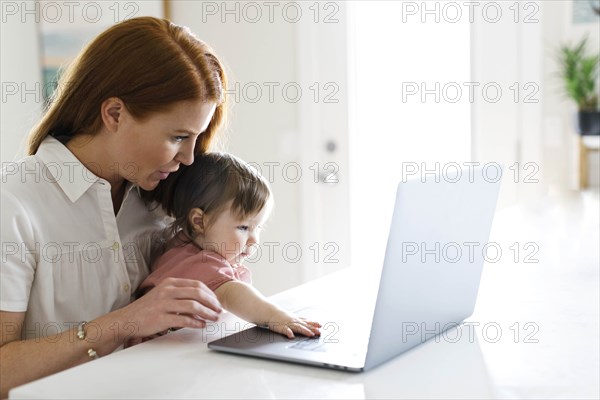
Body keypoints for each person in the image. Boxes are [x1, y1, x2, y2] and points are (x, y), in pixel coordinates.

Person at [0, 17, 227, 397]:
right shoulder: (15, 204)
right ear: (115, 114)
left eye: (197, 137)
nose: (189, 157)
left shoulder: (158, 197)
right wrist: (123, 322)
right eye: (177, 137)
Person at [138, 153, 321, 339]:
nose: (254, 240)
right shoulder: (196, 262)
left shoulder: (186, 247)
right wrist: (277, 317)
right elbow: (231, 294)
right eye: (243, 227)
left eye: (258, 228)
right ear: (199, 221)